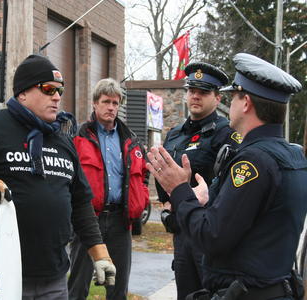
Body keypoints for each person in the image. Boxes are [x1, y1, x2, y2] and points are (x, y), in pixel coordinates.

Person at [0, 54, 116, 300]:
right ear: (22, 93)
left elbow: (80, 203)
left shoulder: (63, 142)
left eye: (59, 91)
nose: (56, 96)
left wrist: (100, 254)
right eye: (48, 89)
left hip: (53, 278)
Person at [148, 53, 306, 300]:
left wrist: (180, 189)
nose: (229, 104)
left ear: (246, 103)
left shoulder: (254, 161)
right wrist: (205, 199)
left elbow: (212, 236)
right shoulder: (293, 156)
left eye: (233, 96)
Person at [157, 62, 242, 300]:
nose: (195, 96)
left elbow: (232, 186)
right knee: (186, 294)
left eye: (203, 92)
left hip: (209, 234)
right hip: (182, 232)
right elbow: (163, 176)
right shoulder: (175, 135)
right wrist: (166, 207)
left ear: (217, 98)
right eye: (192, 90)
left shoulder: (228, 134)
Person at [68, 78, 149, 300]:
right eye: (106, 102)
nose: (111, 107)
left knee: (118, 288)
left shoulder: (130, 140)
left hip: (120, 221)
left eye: (115, 103)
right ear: (95, 103)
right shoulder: (78, 138)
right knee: (78, 284)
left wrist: (140, 198)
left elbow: (143, 174)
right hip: (87, 220)